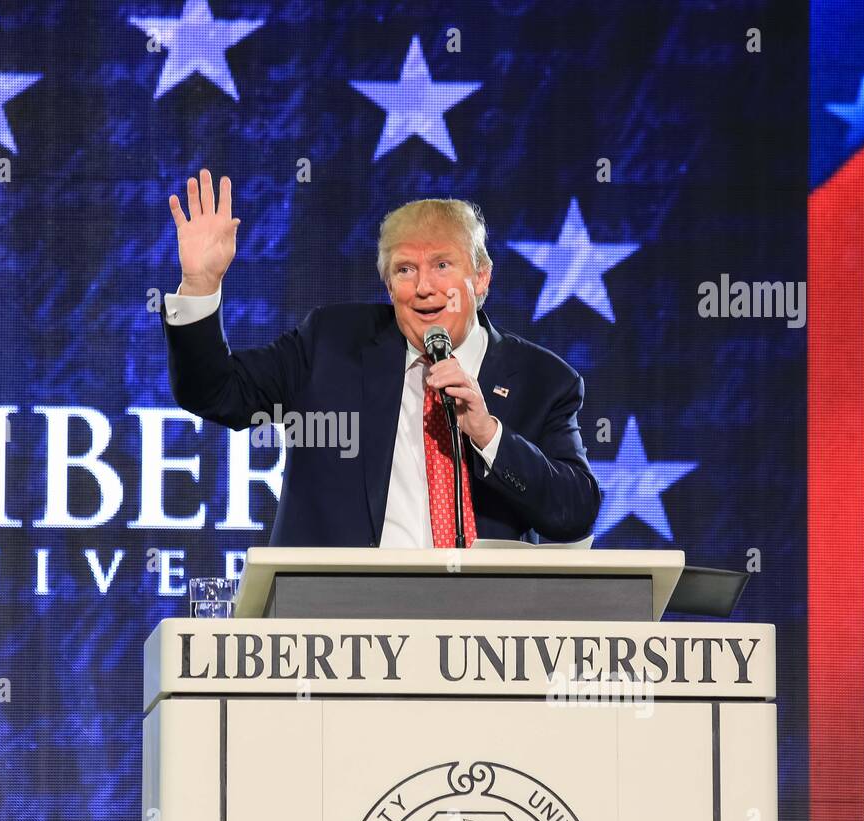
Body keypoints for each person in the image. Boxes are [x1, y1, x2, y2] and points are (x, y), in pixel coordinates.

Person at [162, 168, 600, 548]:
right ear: (389, 287)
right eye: (405, 270)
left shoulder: (543, 380)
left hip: (478, 629)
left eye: (442, 265)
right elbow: (215, 392)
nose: (423, 287)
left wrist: (488, 435)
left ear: (481, 278)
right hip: (344, 625)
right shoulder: (331, 345)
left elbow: (574, 511)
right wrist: (199, 284)